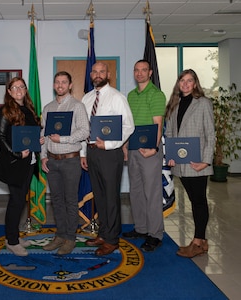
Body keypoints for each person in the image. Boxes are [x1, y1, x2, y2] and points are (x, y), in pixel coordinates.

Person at [81, 62, 135, 256]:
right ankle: (103, 234)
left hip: (111, 153)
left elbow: (129, 126)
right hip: (92, 152)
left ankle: (112, 240)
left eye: (101, 71)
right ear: (91, 75)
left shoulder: (117, 97)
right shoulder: (86, 98)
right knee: (100, 196)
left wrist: (110, 144)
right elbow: (83, 128)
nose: (97, 74)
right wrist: (82, 153)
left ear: (108, 74)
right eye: (94, 72)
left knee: (111, 196)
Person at [165, 69, 215, 258]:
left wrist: (206, 161)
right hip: (181, 163)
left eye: (189, 81)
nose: (185, 84)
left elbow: (210, 134)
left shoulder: (203, 103)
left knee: (199, 201)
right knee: (195, 201)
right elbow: (170, 133)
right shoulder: (174, 104)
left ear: (195, 84)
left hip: (198, 162)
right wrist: (170, 154)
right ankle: (202, 242)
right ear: (178, 83)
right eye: (182, 81)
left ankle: (197, 240)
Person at [41, 71, 89, 255]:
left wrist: (63, 139)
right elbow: (43, 135)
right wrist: (44, 156)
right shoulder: (48, 108)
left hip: (70, 161)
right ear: (54, 85)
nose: (60, 85)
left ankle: (70, 238)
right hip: (52, 162)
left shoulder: (77, 106)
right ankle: (60, 234)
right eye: (57, 82)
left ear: (70, 85)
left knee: (70, 200)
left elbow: (85, 131)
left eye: (64, 82)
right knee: (56, 200)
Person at [0, 77, 43, 256]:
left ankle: (13, 236)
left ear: (25, 90)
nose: (18, 90)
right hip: (14, 164)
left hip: (29, 163)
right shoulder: (5, 111)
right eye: (14, 87)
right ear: (9, 91)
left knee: (20, 201)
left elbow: (31, 133)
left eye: (21, 86)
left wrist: (38, 140)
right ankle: (12, 242)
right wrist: (17, 154)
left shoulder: (29, 109)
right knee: (15, 202)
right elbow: (0, 138)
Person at [122, 59, 166, 252]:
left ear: (150, 73)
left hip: (150, 150)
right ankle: (141, 228)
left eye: (143, 70)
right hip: (132, 148)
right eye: (136, 70)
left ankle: (155, 234)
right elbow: (127, 124)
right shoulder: (130, 96)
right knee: (137, 191)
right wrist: (124, 146)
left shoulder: (156, 94)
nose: (139, 73)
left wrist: (154, 148)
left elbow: (158, 124)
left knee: (152, 193)